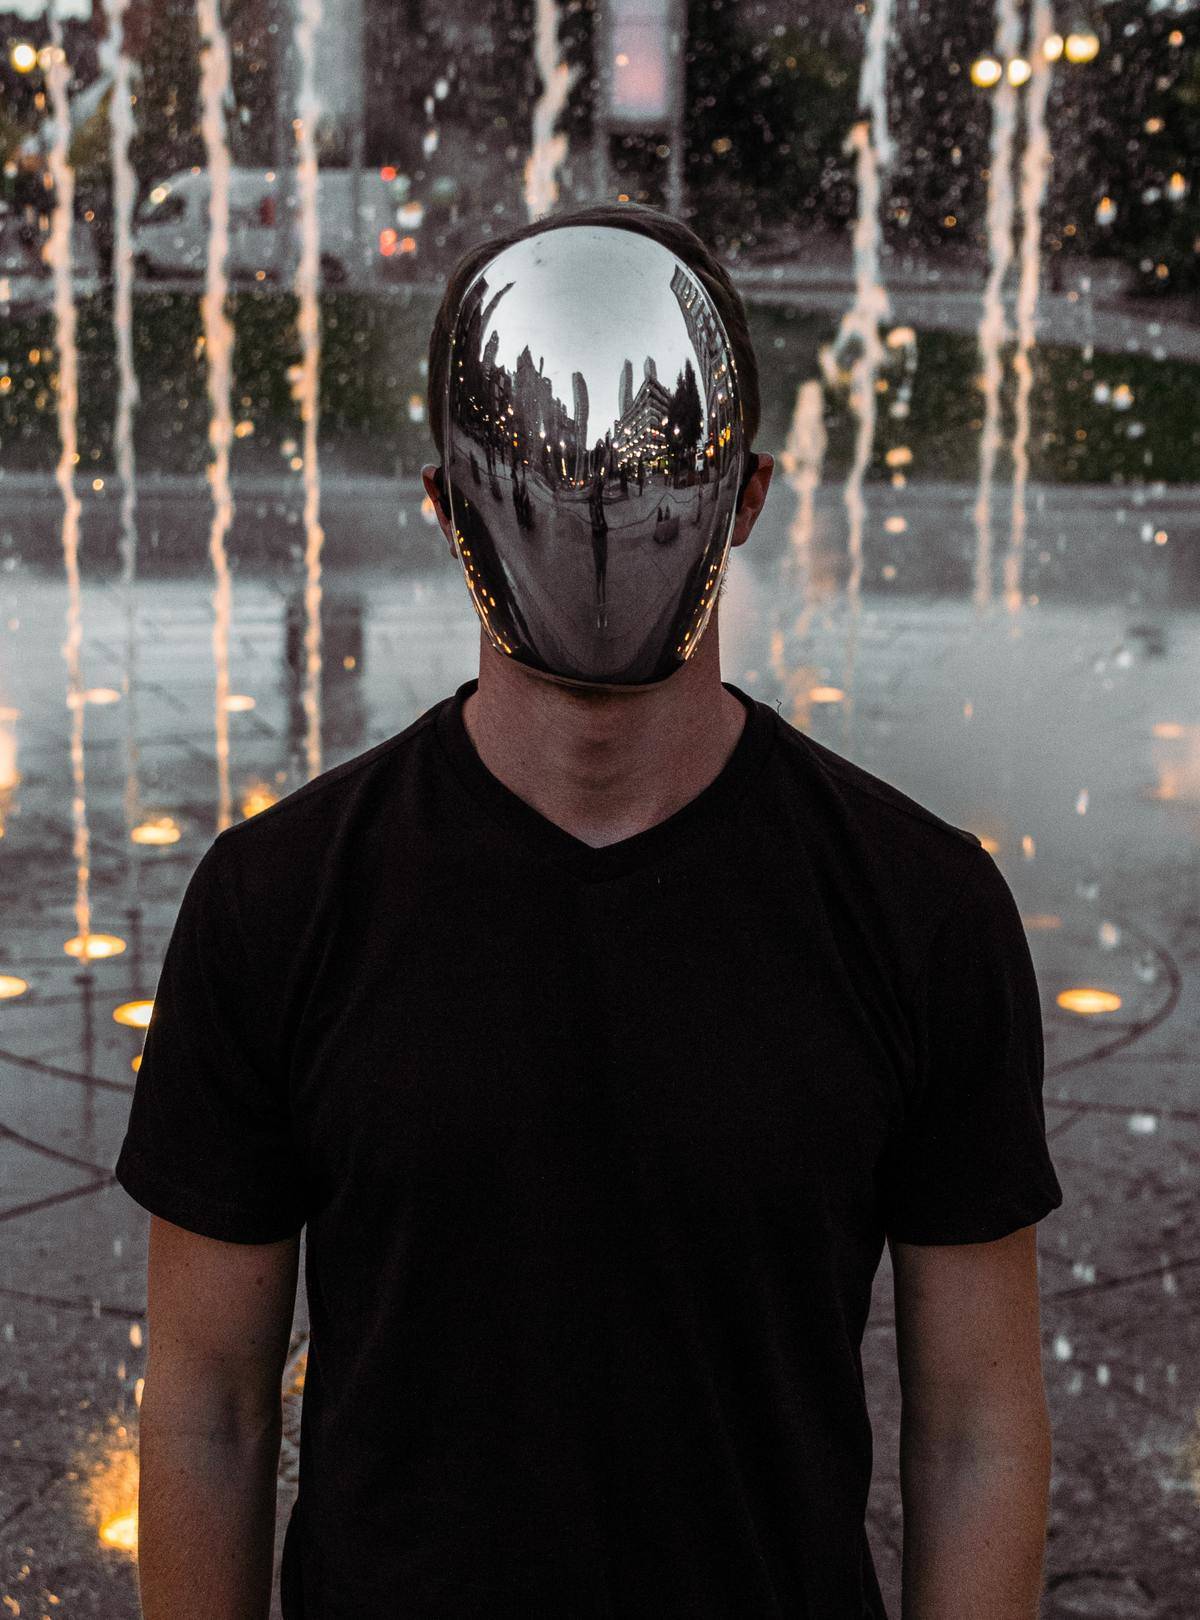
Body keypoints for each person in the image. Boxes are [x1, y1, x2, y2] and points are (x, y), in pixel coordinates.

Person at [115, 202, 1063, 1619]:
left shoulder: (921, 908)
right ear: (447, 506)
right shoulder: (278, 901)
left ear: (742, 499)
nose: (602, 529)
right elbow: (206, 1408)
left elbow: (978, 1429)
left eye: (651, 479)